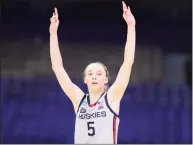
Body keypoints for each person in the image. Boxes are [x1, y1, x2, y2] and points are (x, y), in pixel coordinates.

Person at [49, 1, 136, 144]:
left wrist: (131, 26)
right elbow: (57, 68)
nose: (94, 76)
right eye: (90, 73)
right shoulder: (79, 100)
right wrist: (53, 33)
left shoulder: (112, 97)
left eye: (99, 73)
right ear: (85, 80)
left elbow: (127, 63)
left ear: (106, 79)